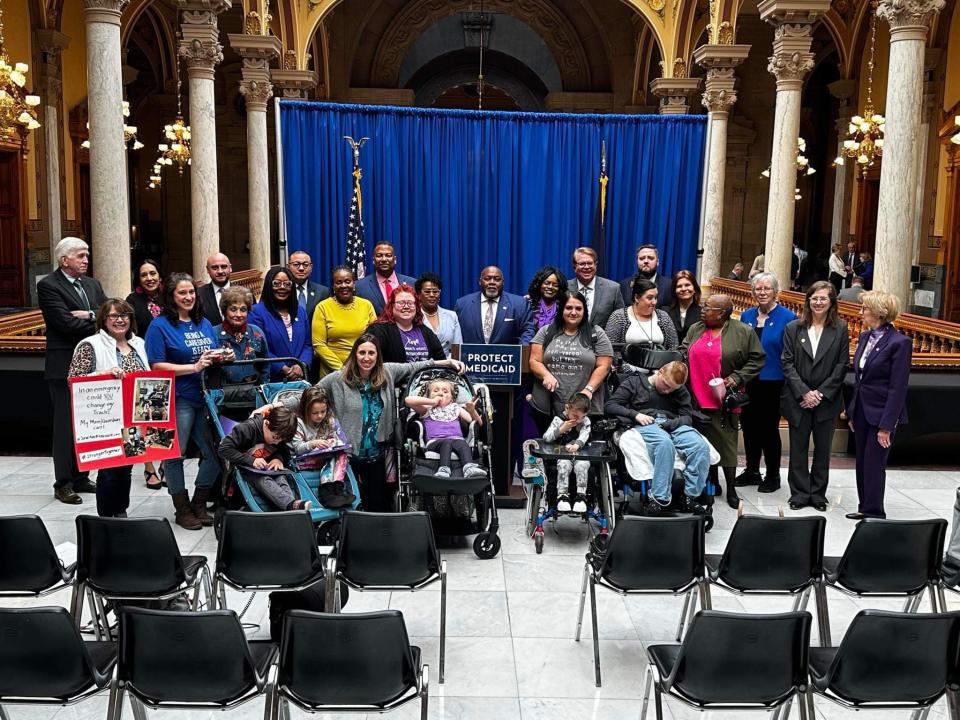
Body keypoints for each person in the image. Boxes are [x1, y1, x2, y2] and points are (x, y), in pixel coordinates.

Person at [317, 334, 464, 511]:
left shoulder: (387, 372)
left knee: (378, 506)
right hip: (348, 454)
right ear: (354, 354)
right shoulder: (338, 379)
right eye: (361, 352)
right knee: (350, 507)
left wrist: (445, 363)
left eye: (371, 353)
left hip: (378, 454)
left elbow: (413, 367)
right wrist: (278, 403)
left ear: (377, 355)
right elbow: (310, 395)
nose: (366, 357)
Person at [146, 271, 232, 530]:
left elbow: (208, 354)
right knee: (175, 455)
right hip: (177, 398)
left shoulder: (203, 322)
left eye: (191, 292)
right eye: (182, 293)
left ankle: (198, 503)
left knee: (214, 454)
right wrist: (193, 368)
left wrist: (221, 356)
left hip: (205, 397)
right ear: (171, 297)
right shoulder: (159, 326)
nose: (188, 297)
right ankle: (181, 509)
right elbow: (156, 365)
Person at [38, 237, 107, 505]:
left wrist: (89, 316)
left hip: (92, 364)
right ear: (64, 259)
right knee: (65, 428)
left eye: (87, 255)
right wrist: (96, 319)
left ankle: (81, 476)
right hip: (63, 366)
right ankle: (63, 483)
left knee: (87, 424)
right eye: (80, 255)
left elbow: (107, 315)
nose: (86, 260)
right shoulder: (48, 285)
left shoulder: (92, 284)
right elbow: (64, 324)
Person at [68, 299, 150, 517]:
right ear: (104, 319)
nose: (120, 320)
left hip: (133, 418)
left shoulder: (139, 343)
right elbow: (73, 380)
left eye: (125, 316)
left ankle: (121, 512)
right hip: (105, 420)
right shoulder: (90, 344)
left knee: (127, 470)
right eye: (114, 316)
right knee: (109, 471)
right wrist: (102, 375)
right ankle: (106, 518)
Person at [682, 294, 765, 508]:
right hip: (695, 396)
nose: (702, 310)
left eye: (708, 308)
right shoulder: (695, 329)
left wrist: (737, 378)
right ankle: (711, 483)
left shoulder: (743, 332)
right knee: (702, 444)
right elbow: (683, 351)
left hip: (724, 398)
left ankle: (731, 489)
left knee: (727, 446)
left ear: (722, 314)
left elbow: (757, 358)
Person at [605, 361, 710, 515]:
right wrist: (635, 414)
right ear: (660, 371)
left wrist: (670, 424)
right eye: (666, 385)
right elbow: (610, 405)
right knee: (664, 443)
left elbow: (687, 417)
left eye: (672, 389)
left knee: (700, 446)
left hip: (673, 424)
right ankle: (659, 497)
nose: (667, 391)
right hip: (647, 422)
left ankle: (690, 496)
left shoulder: (679, 391)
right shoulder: (634, 383)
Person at [781, 281, 849, 511]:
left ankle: (818, 494)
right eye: (814, 298)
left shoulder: (840, 328)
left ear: (832, 303)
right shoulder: (793, 328)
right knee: (798, 449)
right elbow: (787, 363)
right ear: (808, 301)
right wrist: (804, 392)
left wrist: (820, 393)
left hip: (826, 401)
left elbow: (841, 365)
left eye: (823, 298)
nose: (818, 302)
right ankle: (799, 494)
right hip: (798, 400)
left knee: (823, 450)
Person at [846, 290, 912, 520]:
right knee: (862, 463)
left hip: (882, 414)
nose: (860, 312)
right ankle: (865, 506)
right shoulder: (865, 337)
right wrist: (853, 412)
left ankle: (875, 512)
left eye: (864, 308)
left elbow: (898, 387)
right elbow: (860, 379)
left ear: (878, 312)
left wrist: (887, 425)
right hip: (862, 411)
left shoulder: (900, 343)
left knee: (874, 464)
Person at [736, 272, 797, 493]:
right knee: (750, 428)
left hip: (773, 382)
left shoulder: (788, 318)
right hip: (749, 381)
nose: (762, 292)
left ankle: (772, 474)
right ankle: (752, 470)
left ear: (775, 292)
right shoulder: (747, 316)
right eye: (758, 289)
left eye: (766, 288)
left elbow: (790, 354)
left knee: (769, 430)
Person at [528, 290, 614, 427]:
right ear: (561, 309)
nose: (573, 312)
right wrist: (546, 375)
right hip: (548, 404)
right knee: (549, 445)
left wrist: (589, 390)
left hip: (585, 406)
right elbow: (534, 361)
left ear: (584, 311)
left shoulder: (596, 333)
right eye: (569, 308)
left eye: (578, 308)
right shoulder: (546, 331)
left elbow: (604, 366)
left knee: (580, 446)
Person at [218, 404, 312, 511]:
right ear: (267, 424)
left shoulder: (278, 434)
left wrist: (278, 459)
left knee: (281, 476)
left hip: (266, 467)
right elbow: (223, 449)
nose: (277, 442)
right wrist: (251, 460)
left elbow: (284, 451)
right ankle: (291, 505)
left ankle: (292, 504)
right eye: (275, 438)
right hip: (246, 468)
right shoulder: (247, 429)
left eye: (280, 440)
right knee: (263, 479)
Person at [405, 378, 486, 478]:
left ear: (451, 398)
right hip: (435, 441)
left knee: (463, 444)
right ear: (428, 396)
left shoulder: (456, 408)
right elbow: (408, 400)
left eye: (445, 391)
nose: (440, 393)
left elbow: (478, 423)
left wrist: (472, 411)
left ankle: (469, 468)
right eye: (436, 390)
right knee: (446, 442)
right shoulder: (426, 409)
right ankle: (444, 469)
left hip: (457, 439)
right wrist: (432, 402)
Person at [312, 265, 377, 376]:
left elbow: (374, 339)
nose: (343, 285)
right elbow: (319, 344)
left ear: (354, 284)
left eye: (347, 281)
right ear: (333, 286)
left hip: (363, 369)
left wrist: (359, 366)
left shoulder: (366, 305)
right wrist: (342, 369)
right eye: (338, 282)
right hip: (333, 373)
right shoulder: (322, 307)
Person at [250, 266, 312, 382]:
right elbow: (258, 348)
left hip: (300, 378)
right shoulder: (256, 312)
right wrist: (284, 369)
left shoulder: (300, 311)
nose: (282, 287)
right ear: (269, 285)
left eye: (287, 284)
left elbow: (307, 345)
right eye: (276, 283)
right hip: (272, 380)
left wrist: (301, 365)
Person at [366, 284, 446, 363]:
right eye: (401, 303)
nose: (406, 306)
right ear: (391, 306)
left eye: (410, 303)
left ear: (416, 307)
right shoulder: (378, 330)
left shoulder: (426, 332)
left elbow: (441, 361)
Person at [455, 265, 535, 344]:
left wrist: (520, 353)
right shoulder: (462, 304)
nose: (492, 282)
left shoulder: (520, 304)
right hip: (470, 355)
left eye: (497, 279)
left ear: (503, 282)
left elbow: (527, 331)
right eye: (487, 279)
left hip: (507, 355)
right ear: (480, 281)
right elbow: (455, 334)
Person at [543, 392, 592, 513]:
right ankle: (562, 496)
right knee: (563, 464)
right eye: (574, 415)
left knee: (583, 464)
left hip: (580, 454)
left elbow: (585, 435)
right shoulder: (558, 419)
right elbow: (546, 437)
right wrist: (561, 429)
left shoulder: (585, 421)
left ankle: (581, 496)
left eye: (580, 417)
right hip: (561, 453)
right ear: (567, 408)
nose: (577, 419)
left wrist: (577, 444)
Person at [213, 286, 269, 385]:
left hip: (254, 392)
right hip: (224, 394)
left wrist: (264, 388)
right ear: (224, 310)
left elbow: (265, 366)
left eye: (243, 309)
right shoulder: (213, 334)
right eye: (233, 309)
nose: (238, 315)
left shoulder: (256, 333)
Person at [604, 277, 679, 349]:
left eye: (656, 297)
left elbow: (674, 347)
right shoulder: (618, 317)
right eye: (649, 298)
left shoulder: (663, 317)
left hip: (661, 361)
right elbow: (609, 349)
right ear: (636, 298)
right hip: (626, 362)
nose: (654, 302)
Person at [354, 242, 416, 316]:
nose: (384, 259)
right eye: (379, 256)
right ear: (373, 260)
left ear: (395, 259)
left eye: (388, 255)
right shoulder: (360, 287)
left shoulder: (412, 283)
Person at [570, 246, 623, 328]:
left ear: (596, 265)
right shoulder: (564, 288)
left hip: (601, 340)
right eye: (582, 264)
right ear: (574, 267)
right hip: (570, 339)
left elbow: (620, 321)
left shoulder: (613, 289)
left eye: (590, 263)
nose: (587, 267)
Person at [416, 272, 462, 357]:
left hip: (448, 366)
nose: (432, 295)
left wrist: (448, 364)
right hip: (421, 366)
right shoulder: (413, 316)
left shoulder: (451, 316)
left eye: (435, 291)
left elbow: (457, 348)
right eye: (427, 292)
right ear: (419, 295)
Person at [287, 250, 330, 320]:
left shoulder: (323, 292)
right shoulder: (282, 291)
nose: (301, 268)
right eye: (296, 264)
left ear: (311, 267)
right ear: (288, 267)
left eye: (305, 265)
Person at [664, 270, 702, 343]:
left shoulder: (702, 313)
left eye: (687, 285)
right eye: (679, 286)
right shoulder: (665, 312)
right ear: (674, 290)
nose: (683, 289)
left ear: (694, 289)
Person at [527, 266, 568, 330]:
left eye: (555, 285)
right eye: (547, 283)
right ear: (539, 284)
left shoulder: (565, 305)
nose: (550, 287)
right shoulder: (528, 303)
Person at [197, 252, 233, 326]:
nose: (220, 271)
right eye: (215, 268)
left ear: (230, 268)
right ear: (207, 270)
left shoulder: (245, 293)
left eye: (224, 267)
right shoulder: (198, 294)